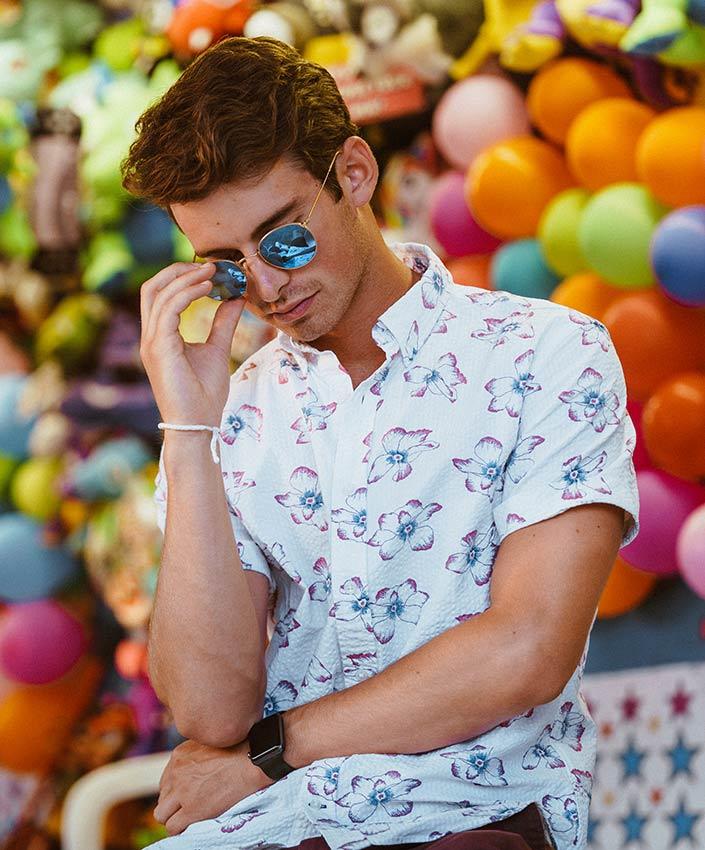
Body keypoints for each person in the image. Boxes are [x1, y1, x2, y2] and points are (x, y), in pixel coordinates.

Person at [121, 36, 639, 850]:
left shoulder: (545, 352)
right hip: (277, 824)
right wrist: (187, 431)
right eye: (225, 266)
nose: (266, 287)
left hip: (468, 816)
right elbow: (208, 707)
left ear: (354, 174)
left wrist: (269, 750)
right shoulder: (235, 410)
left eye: (283, 240)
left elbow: (527, 649)